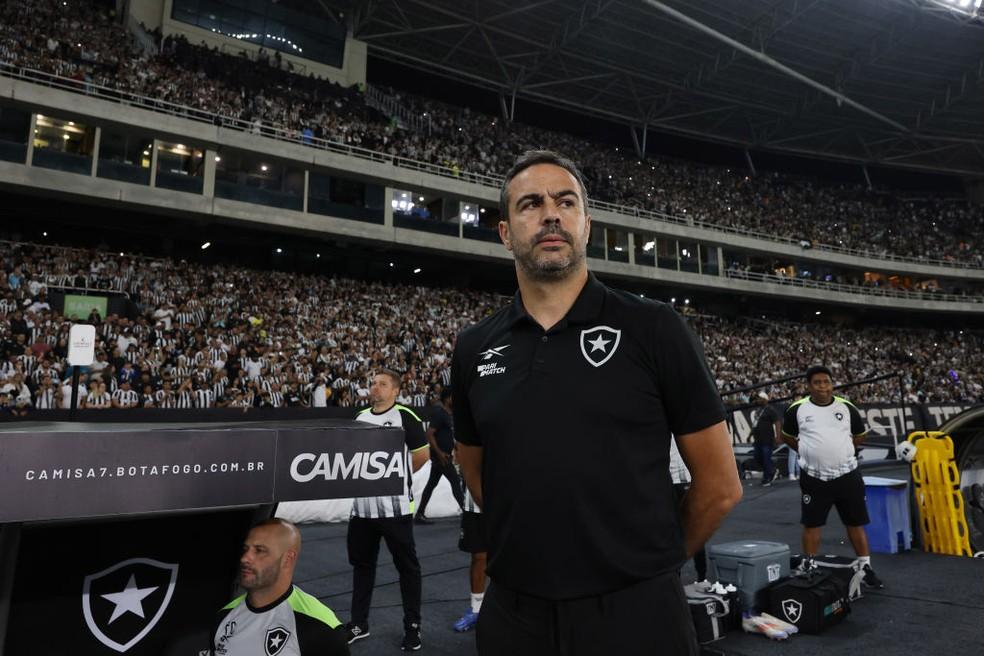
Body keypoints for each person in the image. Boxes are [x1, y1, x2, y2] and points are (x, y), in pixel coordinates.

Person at [452, 150, 743, 656]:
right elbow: (478, 473)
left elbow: (720, 486)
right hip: (515, 613)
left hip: (638, 613)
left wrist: (649, 566)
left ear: (586, 225)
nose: (550, 214)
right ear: (504, 233)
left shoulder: (654, 328)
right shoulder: (474, 346)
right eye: (530, 204)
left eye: (566, 202)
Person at [344, 369, 429, 651]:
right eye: (373, 383)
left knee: (407, 569)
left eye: (382, 384)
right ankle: (359, 623)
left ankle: (413, 627)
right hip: (362, 511)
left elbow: (421, 456)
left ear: (395, 391)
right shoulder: (359, 417)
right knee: (362, 567)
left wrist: (394, 480)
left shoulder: (406, 417)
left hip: (395, 510)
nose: (376, 387)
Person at [781, 365, 884, 589]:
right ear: (809, 386)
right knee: (812, 523)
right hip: (814, 478)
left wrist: (840, 453)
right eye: (817, 383)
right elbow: (787, 437)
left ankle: (865, 567)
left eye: (826, 382)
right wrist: (808, 452)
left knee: (855, 523)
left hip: (847, 476)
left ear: (832, 384)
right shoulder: (797, 409)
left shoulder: (846, 407)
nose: (822, 387)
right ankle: (808, 564)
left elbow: (859, 436)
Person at [211, 518, 349, 655]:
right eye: (245, 549)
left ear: (287, 559)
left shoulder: (320, 627)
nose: (245, 558)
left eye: (259, 550)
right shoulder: (225, 616)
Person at [415, 387, 464, 523]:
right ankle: (467, 515)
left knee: (431, 484)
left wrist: (454, 447)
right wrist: (440, 453)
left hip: (445, 454)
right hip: (441, 456)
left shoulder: (448, 413)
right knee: (455, 482)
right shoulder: (439, 412)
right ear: (447, 398)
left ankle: (419, 514)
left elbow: (448, 434)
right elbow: (430, 434)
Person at [453, 459, 487, 634]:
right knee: (479, 557)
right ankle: (476, 608)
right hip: (475, 503)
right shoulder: (473, 432)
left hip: (508, 501)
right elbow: (460, 456)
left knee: (512, 556)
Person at [669, 437, 708, 583]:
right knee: (675, 533)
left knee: (695, 530)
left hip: (686, 481)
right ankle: (677, 577)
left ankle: (702, 577)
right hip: (673, 482)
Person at [750, 391, 782, 486]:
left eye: (759, 398)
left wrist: (778, 436)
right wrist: (749, 435)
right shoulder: (758, 410)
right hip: (758, 439)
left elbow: (777, 422)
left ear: (765, 400)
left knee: (766, 457)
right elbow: (755, 424)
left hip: (767, 438)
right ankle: (772, 470)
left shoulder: (770, 410)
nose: (758, 400)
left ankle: (767, 477)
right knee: (758, 457)